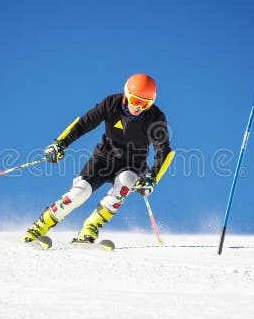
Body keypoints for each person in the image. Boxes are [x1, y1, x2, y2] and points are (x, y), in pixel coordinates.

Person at [23, 73, 172, 247]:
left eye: (144, 103)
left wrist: (152, 178)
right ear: (126, 95)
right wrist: (60, 144)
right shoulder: (111, 104)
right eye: (135, 101)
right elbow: (84, 123)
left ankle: (90, 228)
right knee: (80, 192)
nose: (138, 107)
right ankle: (41, 225)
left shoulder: (155, 118)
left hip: (133, 165)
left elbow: (164, 150)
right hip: (103, 158)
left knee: (126, 182)